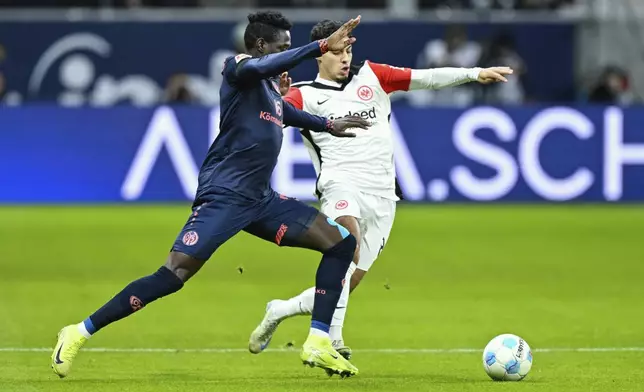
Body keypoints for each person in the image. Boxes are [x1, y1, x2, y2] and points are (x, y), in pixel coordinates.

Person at [51, 11, 370, 379]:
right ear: (262, 46)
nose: (286, 54)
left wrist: (329, 124)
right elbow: (259, 68)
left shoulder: (269, 89)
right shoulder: (237, 67)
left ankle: (318, 341)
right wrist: (318, 47)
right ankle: (78, 331)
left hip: (260, 200)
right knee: (173, 275)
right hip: (224, 195)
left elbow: (288, 113)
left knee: (341, 243)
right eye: (282, 47)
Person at [248, 19, 513, 360]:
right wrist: (276, 99)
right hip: (339, 184)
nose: (346, 57)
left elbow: (425, 78)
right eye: (338, 51)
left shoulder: (372, 76)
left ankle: (281, 310)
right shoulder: (304, 94)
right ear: (320, 55)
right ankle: (331, 340)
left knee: (346, 282)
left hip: (384, 195)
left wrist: (474, 73)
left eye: (349, 50)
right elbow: (270, 116)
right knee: (348, 244)